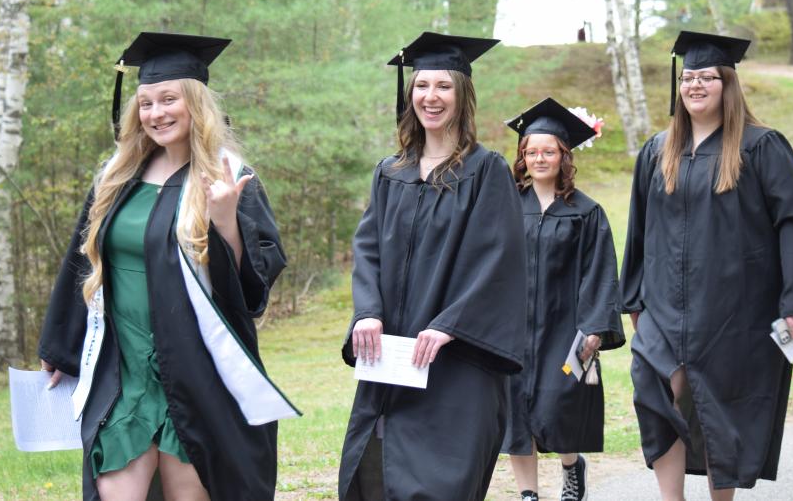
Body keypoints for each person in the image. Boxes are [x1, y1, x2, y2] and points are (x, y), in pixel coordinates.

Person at [38, 32, 299, 501]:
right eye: (146, 103)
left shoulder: (230, 178)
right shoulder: (116, 177)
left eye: (168, 99)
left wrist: (225, 223)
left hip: (195, 375)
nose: (156, 113)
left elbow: (250, 294)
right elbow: (84, 263)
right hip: (125, 370)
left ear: (195, 103)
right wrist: (61, 347)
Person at [620, 31, 793, 501]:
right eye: (689, 77)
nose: (696, 85)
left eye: (708, 77)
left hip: (733, 307)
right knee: (653, 388)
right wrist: (634, 294)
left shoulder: (761, 147)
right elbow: (639, 227)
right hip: (663, 305)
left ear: (728, 84)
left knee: (721, 406)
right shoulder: (657, 150)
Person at [338, 31, 527, 500]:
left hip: (457, 364)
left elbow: (498, 259)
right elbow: (368, 251)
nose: (431, 97)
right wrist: (367, 312)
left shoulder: (487, 171)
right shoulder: (390, 172)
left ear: (462, 95)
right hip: (394, 361)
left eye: (443, 86)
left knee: (440, 486)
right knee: (376, 479)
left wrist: (449, 325)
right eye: (422, 86)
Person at [502, 97, 626, 501]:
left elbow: (600, 270)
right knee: (516, 414)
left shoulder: (586, 212)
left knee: (559, 407)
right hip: (512, 329)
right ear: (522, 156)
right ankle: (528, 494)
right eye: (532, 152)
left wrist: (594, 329)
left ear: (563, 156)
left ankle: (572, 466)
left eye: (548, 151)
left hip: (567, 328)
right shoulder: (505, 208)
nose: (540, 158)